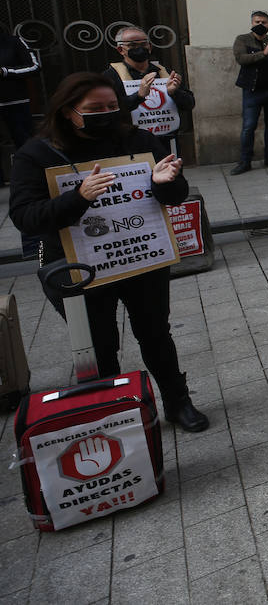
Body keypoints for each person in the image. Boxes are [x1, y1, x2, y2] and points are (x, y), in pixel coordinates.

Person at [7, 72, 209, 431]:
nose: (106, 112)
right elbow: (26, 217)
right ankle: (113, 414)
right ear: (68, 111)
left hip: (140, 257)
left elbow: (174, 194)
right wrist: (78, 198)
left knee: (155, 332)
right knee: (100, 345)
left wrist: (167, 183)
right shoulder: (37, 154)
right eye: (94, 108)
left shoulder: (140, 139)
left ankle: (178, 401)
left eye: (113, 106)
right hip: (78, 268)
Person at [102, 25, 195, 150]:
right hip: (132, 144)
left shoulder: (164, 72)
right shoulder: (111, 77)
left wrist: (174, 92)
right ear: (120, 49)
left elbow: (189, 105)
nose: (139, 49)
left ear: (150, 47)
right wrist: (139, 96)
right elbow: (110, 113)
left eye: (143, 44)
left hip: (167, 143)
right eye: (133, 45)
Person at [231, 10, 268, 174]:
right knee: (248, 127)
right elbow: (241, 59)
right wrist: (263, 54)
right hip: (252, 91)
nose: (260, 25)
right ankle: (245, 162)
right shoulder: (242, 39)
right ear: (252, 23)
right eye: (257, 22)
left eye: (264, 22)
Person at [0, 24, 39, 167]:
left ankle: (33, 176)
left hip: (16, 103)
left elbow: (34, 66)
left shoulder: (13, 42)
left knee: (25, 143)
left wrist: (5, 71)